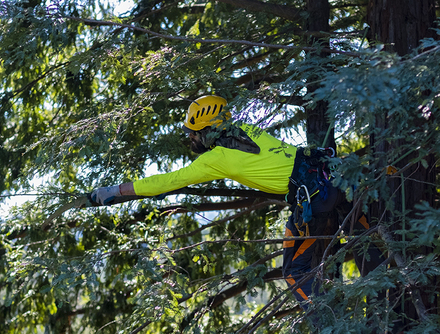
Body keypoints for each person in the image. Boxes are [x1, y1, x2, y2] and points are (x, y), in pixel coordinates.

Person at [90, 95, 384, 310]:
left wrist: (114, 191)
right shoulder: (245, 130)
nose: (190, 138)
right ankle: (391, 309)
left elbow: (165, 181)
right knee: (366, 244)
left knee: (296, 272)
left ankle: (333, 326)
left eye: (193, 132)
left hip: (315, 198)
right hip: (336, 177)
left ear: (204, 129)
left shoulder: (215, 158)